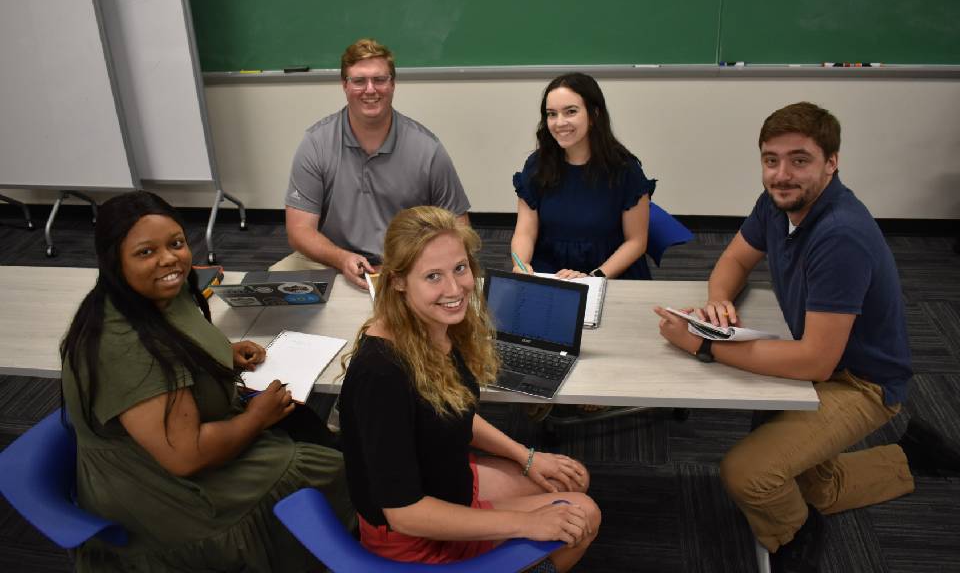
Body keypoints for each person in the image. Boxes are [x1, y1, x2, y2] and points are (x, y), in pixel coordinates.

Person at [653, 102, 916, 572]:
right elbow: (733, 261)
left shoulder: (840, 235)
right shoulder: (776, 201)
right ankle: (910, 458)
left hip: (861, 382)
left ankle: (797, 532)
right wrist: (718, 301)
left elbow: (814, 362)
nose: (781, 174)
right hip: (822, 356)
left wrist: (706, 344)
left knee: (748, 474)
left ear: (831, 163)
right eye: (771, 160)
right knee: (817, 484)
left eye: (800, 160)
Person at [60, 191, 354, 572]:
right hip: (160, 489)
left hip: (189, 436)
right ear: (114, 261)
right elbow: (186, 456)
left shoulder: (165, 289)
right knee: (323, 470)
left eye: (176, 243)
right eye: (145, 252)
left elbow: (178, 335)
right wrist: (255, 419)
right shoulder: (122, 346)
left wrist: (220, 352)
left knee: (313, 434)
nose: (169, 259)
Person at [338, 206, 601, 570]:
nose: (455, 289)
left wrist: (525, 455)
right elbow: (403, 513)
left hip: (447, 482)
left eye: (460, 268)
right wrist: (528, 522)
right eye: (433, 276)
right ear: (397, 280)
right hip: (415, 538)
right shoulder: (381, 375)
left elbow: (450, 409)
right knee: (583, 515)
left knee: (571, 479)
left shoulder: (434, 327)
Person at [275, 37, 471, 289]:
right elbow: (299, 229)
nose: (370, 90)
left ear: (393, 84)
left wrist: (414, 264)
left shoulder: (427, 149)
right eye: (359, 81)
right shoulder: (316, 143)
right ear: (344, 85)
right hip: (331, 257)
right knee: (276, 283)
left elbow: (460, 227)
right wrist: (341, 258)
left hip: (405, 262)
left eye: (379, 79)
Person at [511, 72, 656, 280]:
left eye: (570, 111)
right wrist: (522, 264)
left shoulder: (625, 169)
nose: (559, 122)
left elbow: (636, 242)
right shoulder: (537, 165)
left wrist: (593, 278)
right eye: (551, 114)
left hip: (607, 274)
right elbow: (525, 232)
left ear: (594, 114)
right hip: (552, 272)